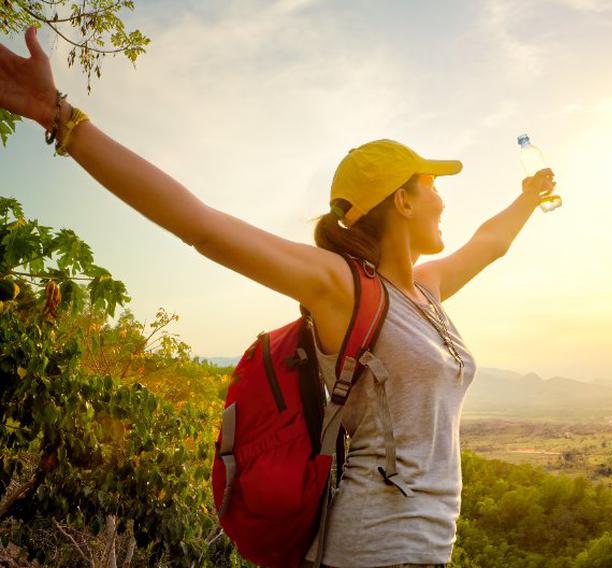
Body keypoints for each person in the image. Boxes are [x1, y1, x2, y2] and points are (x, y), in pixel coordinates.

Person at [0, 26, 556, 568]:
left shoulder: (426, 292)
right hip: (376, 550)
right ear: (402, 202)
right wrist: (61, 118)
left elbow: (491, 243)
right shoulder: (340, 286)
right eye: (431, 185)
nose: (442, 199)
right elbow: (201, 225)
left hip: (421, 550)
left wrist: (529, 198)